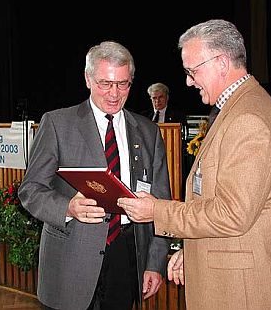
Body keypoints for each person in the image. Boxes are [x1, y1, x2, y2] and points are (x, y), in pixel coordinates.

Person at [118, 19, 271, 309]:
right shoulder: (240, 108)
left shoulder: (247, 120)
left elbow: (232, 214)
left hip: (243, 291)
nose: (188, 82)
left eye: (192, 71)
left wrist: (157, 210)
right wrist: (192, 251)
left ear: (221, 62)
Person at [18, 40, 172, 310]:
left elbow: (161, 202)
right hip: (70, 261)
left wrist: (155, 264)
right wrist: (67, 207)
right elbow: (30, 190)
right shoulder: (57, 124)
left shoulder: (149, 132)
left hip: (126, 259)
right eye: (105, 83)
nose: (114, 93)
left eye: (122, 84)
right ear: (88, 79)